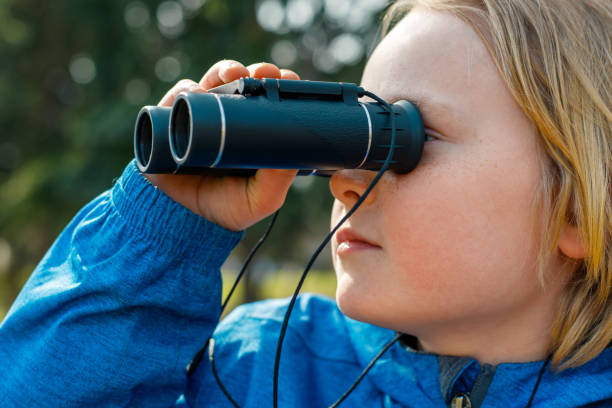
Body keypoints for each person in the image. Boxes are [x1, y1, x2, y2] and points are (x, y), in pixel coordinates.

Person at [1, 0, 610, 406]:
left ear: (580, 210)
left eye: (404, 139)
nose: (346, 177)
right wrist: (158, 237)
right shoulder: (256, 368)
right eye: (355, 131)